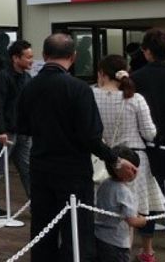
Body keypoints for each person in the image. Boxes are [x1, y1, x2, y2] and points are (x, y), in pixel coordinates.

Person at [17, 33, 136, 261]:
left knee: (42, 231)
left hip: (40, 167)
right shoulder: (79, 89)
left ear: (44, 54)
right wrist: (115, 160)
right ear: (73, 56)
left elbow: (23, 127)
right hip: (73, 170)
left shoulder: (29, 87)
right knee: (77, 233)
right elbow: (92, 136)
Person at [93, 55, 164, 230]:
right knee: (132, 213)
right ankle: (133, 251)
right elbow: (149, 133)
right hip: (134, 160)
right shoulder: (135, 98)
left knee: (104, 210)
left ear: (101, 73)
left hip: (101, 158)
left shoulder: (90, 94)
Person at [132, 28, 165, 262]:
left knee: (150, 200)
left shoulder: (136, 78)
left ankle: (148, 250)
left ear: (147, 51)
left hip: (148, 149)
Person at [0, 39, 33, 217]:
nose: (31, 60)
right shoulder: (4, 76)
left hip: (22, 131)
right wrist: (0, 131)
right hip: (6, 131)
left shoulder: (27, 78)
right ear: (16, 58)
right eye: (28, 57)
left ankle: (37, 204)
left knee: (27, 169)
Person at [94, 146, 146, 262]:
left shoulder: (104, 184)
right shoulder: (124, 191)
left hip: (99, 236)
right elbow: (132, 221)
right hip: (116, 242)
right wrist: (143, 221)